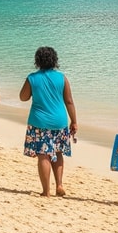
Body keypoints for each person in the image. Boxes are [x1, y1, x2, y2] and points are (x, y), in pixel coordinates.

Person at [18, 46, 76, 197]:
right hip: (60, 121)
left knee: (43, 155)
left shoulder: (32, 78)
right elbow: (69, 101)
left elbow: (23, 97)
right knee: (58, 152)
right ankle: (60, 184)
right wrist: (74, 121)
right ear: (54, 60)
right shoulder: (62, 78)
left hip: (39, 122)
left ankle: (46, 191)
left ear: (37, 61)